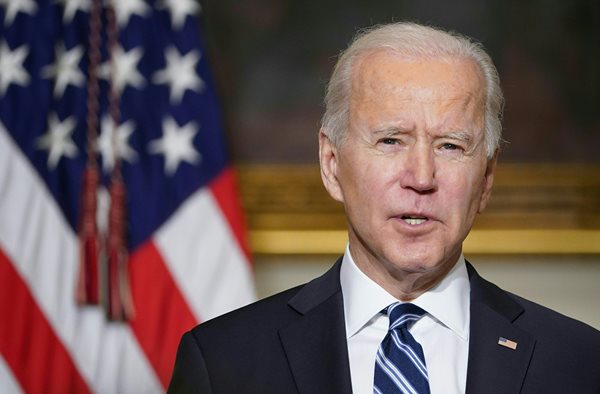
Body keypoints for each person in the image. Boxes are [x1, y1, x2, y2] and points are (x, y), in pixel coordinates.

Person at [167, 22, 600, 394]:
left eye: (450, 146)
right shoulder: (223, 363)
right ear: (332, 164)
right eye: (391, 141)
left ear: (485, 180)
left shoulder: (580, 363)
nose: (422, 177)